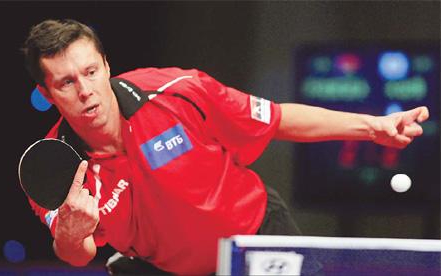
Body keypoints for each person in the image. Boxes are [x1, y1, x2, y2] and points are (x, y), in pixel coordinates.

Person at [21, 19, 429, 275]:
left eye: (90, 72)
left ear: (106, 65)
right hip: (167, 268)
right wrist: (73, 233)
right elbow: (75, 255)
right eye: (66, 82)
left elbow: (276, 118)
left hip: (257, 239)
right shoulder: (51, 169)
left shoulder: (177, 90)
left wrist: (373, 127)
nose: (86, 90)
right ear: (47, 92)